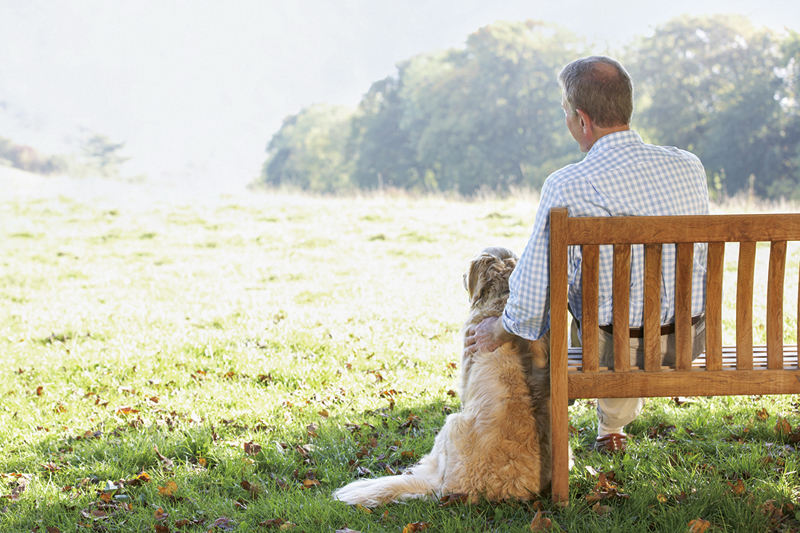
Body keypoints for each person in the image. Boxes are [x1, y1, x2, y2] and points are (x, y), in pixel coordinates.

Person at [465, 55, 709, 453]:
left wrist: (499, 328)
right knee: (622, 302)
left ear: (582, 119)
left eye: (565, 112)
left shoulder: (567, 184)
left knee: (576, 305)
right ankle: (611, 428)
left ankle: (535, 419)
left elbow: (532, 293)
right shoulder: (689, 166)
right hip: (689, 339)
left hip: (615, 350)